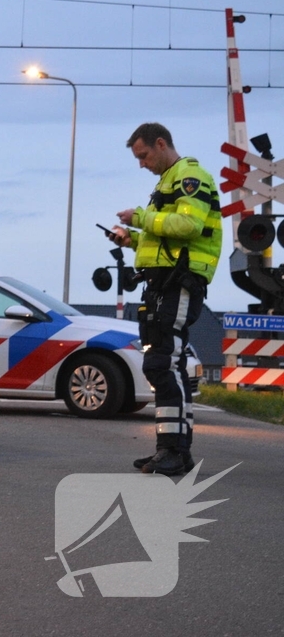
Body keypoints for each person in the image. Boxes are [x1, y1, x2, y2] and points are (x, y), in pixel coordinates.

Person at [108, 122, 222, 476]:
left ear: (161, 144)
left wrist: (141, 217)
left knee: (162, 363)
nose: (141, 164)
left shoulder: (190, 176)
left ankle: (173, 449)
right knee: (165, 363)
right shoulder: (168, 182)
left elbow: (187, 227)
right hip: (166, 282)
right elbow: (166, 240)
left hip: (179, 282)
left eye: (143, 156)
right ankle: (173, 450)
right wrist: (131, 240)